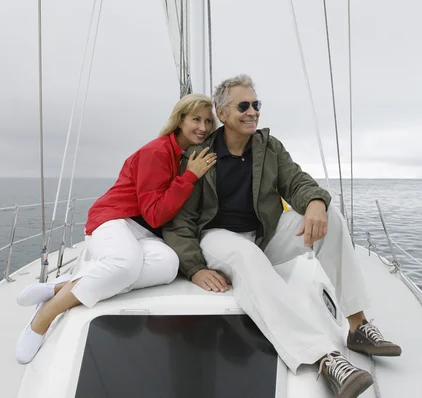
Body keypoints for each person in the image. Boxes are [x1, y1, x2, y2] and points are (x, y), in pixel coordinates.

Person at [163, 75, 402, 398]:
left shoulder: (268, 147)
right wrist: (194, 267)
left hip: (264, 235)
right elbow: (181, 220)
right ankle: (324, 357)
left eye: (256, 105)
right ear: (222, 112)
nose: (253, 112)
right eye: (243, 106)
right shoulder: (200, 154)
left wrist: (316, 202)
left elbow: (297, 181)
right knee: (246, 257)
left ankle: (358, 326)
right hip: (217, 237)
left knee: (330, 215)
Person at [15, 93, 218, 364]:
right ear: (180, 120)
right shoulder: (156, 152)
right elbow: (155, 214)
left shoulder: (186, 155)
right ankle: (45, 316)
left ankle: (62, 287)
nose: (203, 127)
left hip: (143, 231)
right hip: (113, 219)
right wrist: (189, 177)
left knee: (169, 265)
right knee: (125, 264)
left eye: (208, 121)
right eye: (196, 119)